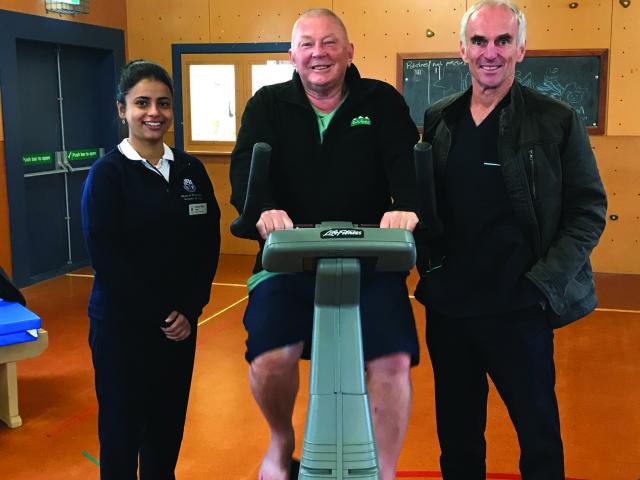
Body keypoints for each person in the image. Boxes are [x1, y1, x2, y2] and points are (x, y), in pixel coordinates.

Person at [414, 1, 607, 479]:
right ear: (463, 49)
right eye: (480, 41)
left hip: (520, 310)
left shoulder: (555, 120)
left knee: (539, 439)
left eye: (503, 41)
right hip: (450, 312)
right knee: (457, 440)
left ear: (521, 48)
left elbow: (588, 211)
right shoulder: (441, 119)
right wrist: (429, 270)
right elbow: (426, 208)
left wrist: (542, 285)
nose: (491, 52)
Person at [230, 8, 420, 480]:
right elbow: (246, 179)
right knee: (272, 358)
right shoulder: (267, 106)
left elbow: (409, 171)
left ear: (350, 51)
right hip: (288, 261)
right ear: (292, 55)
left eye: (331, 42)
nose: (320, 53)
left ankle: (386, 470)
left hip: (372, 259)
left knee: (393, 361)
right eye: (308, 44)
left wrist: (408, 207)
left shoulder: (382, 102)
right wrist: (262, 212)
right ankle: (280, 441)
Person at [81, 60, 220, 479]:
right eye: (141, 102)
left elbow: (207, 245)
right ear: (121, 109)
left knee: (166, 429)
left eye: (163, 103)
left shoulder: (191, 171)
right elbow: (106, 257)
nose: (153, 112)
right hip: (123, 329)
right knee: (122, 432)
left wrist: (190, 309)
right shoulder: (107, 175)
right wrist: (161, 314)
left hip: (179, 329)